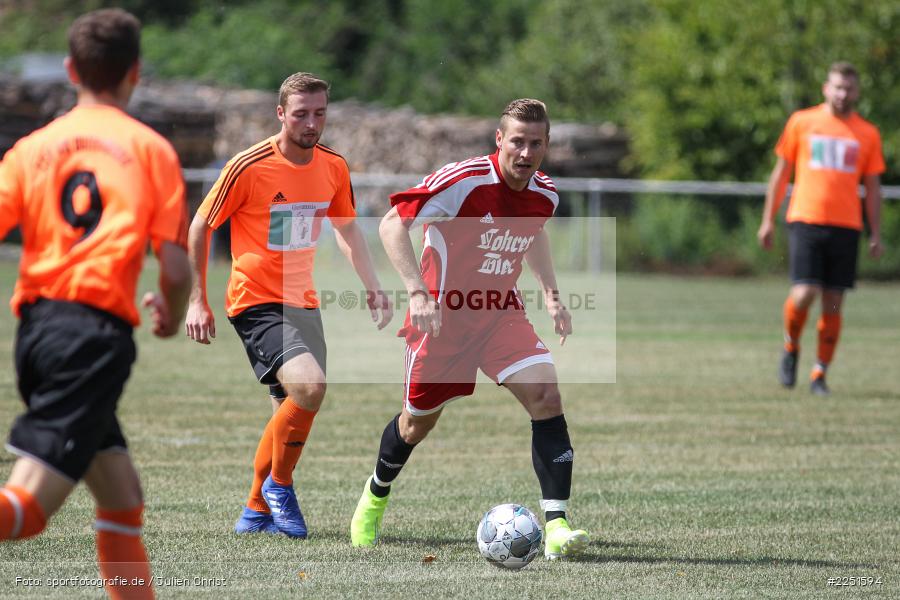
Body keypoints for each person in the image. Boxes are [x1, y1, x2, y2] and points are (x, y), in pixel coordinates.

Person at [0, 9, 191, 599]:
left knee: (121, 496)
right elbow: (178, 268)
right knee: (26, 513)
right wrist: (172, 314)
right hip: (93, 337)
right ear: (135, 72)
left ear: (69, 70)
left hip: (37, 333)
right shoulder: (152, 150)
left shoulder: (32, 148)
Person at [349, 98, 589, 560]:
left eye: (535, 143)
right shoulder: (463, 181)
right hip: (442, 320)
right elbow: (391, 225)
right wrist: (418, 294)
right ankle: (375, 496)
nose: (525, 152)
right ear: (499, 139)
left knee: (546, 396)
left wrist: (553, 295)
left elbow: (533, 235)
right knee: (416, 424)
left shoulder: (546, 194)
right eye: (516, 141)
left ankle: (557, 526)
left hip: (501, 313)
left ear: (546, 145)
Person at [185, 72, 392, 538]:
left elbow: (346, 228)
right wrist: (197, 300)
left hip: (304, 303)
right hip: (256, 300)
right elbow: (200, 226)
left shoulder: (333, 166)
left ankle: (256, 509)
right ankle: (279, 486)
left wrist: (373, 285)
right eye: (301, 114)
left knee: (287, 407)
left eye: (320, 113)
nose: (311, 123)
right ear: (281, 113)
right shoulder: (249, 165)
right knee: (311, 388)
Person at [758, 62, 884, 396]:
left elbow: (872, 188)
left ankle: (819, 374)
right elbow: (781, 173)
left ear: (857, 92)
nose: (843, 94)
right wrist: (768, 219)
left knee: (833, 303)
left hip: (846, 225)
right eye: (838, 87)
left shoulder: (867, 133)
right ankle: (790, 347)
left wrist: (875, 233)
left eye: (849, 88)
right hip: (805, 218)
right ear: (826, 88)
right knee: (804, 292)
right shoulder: (803, 122)